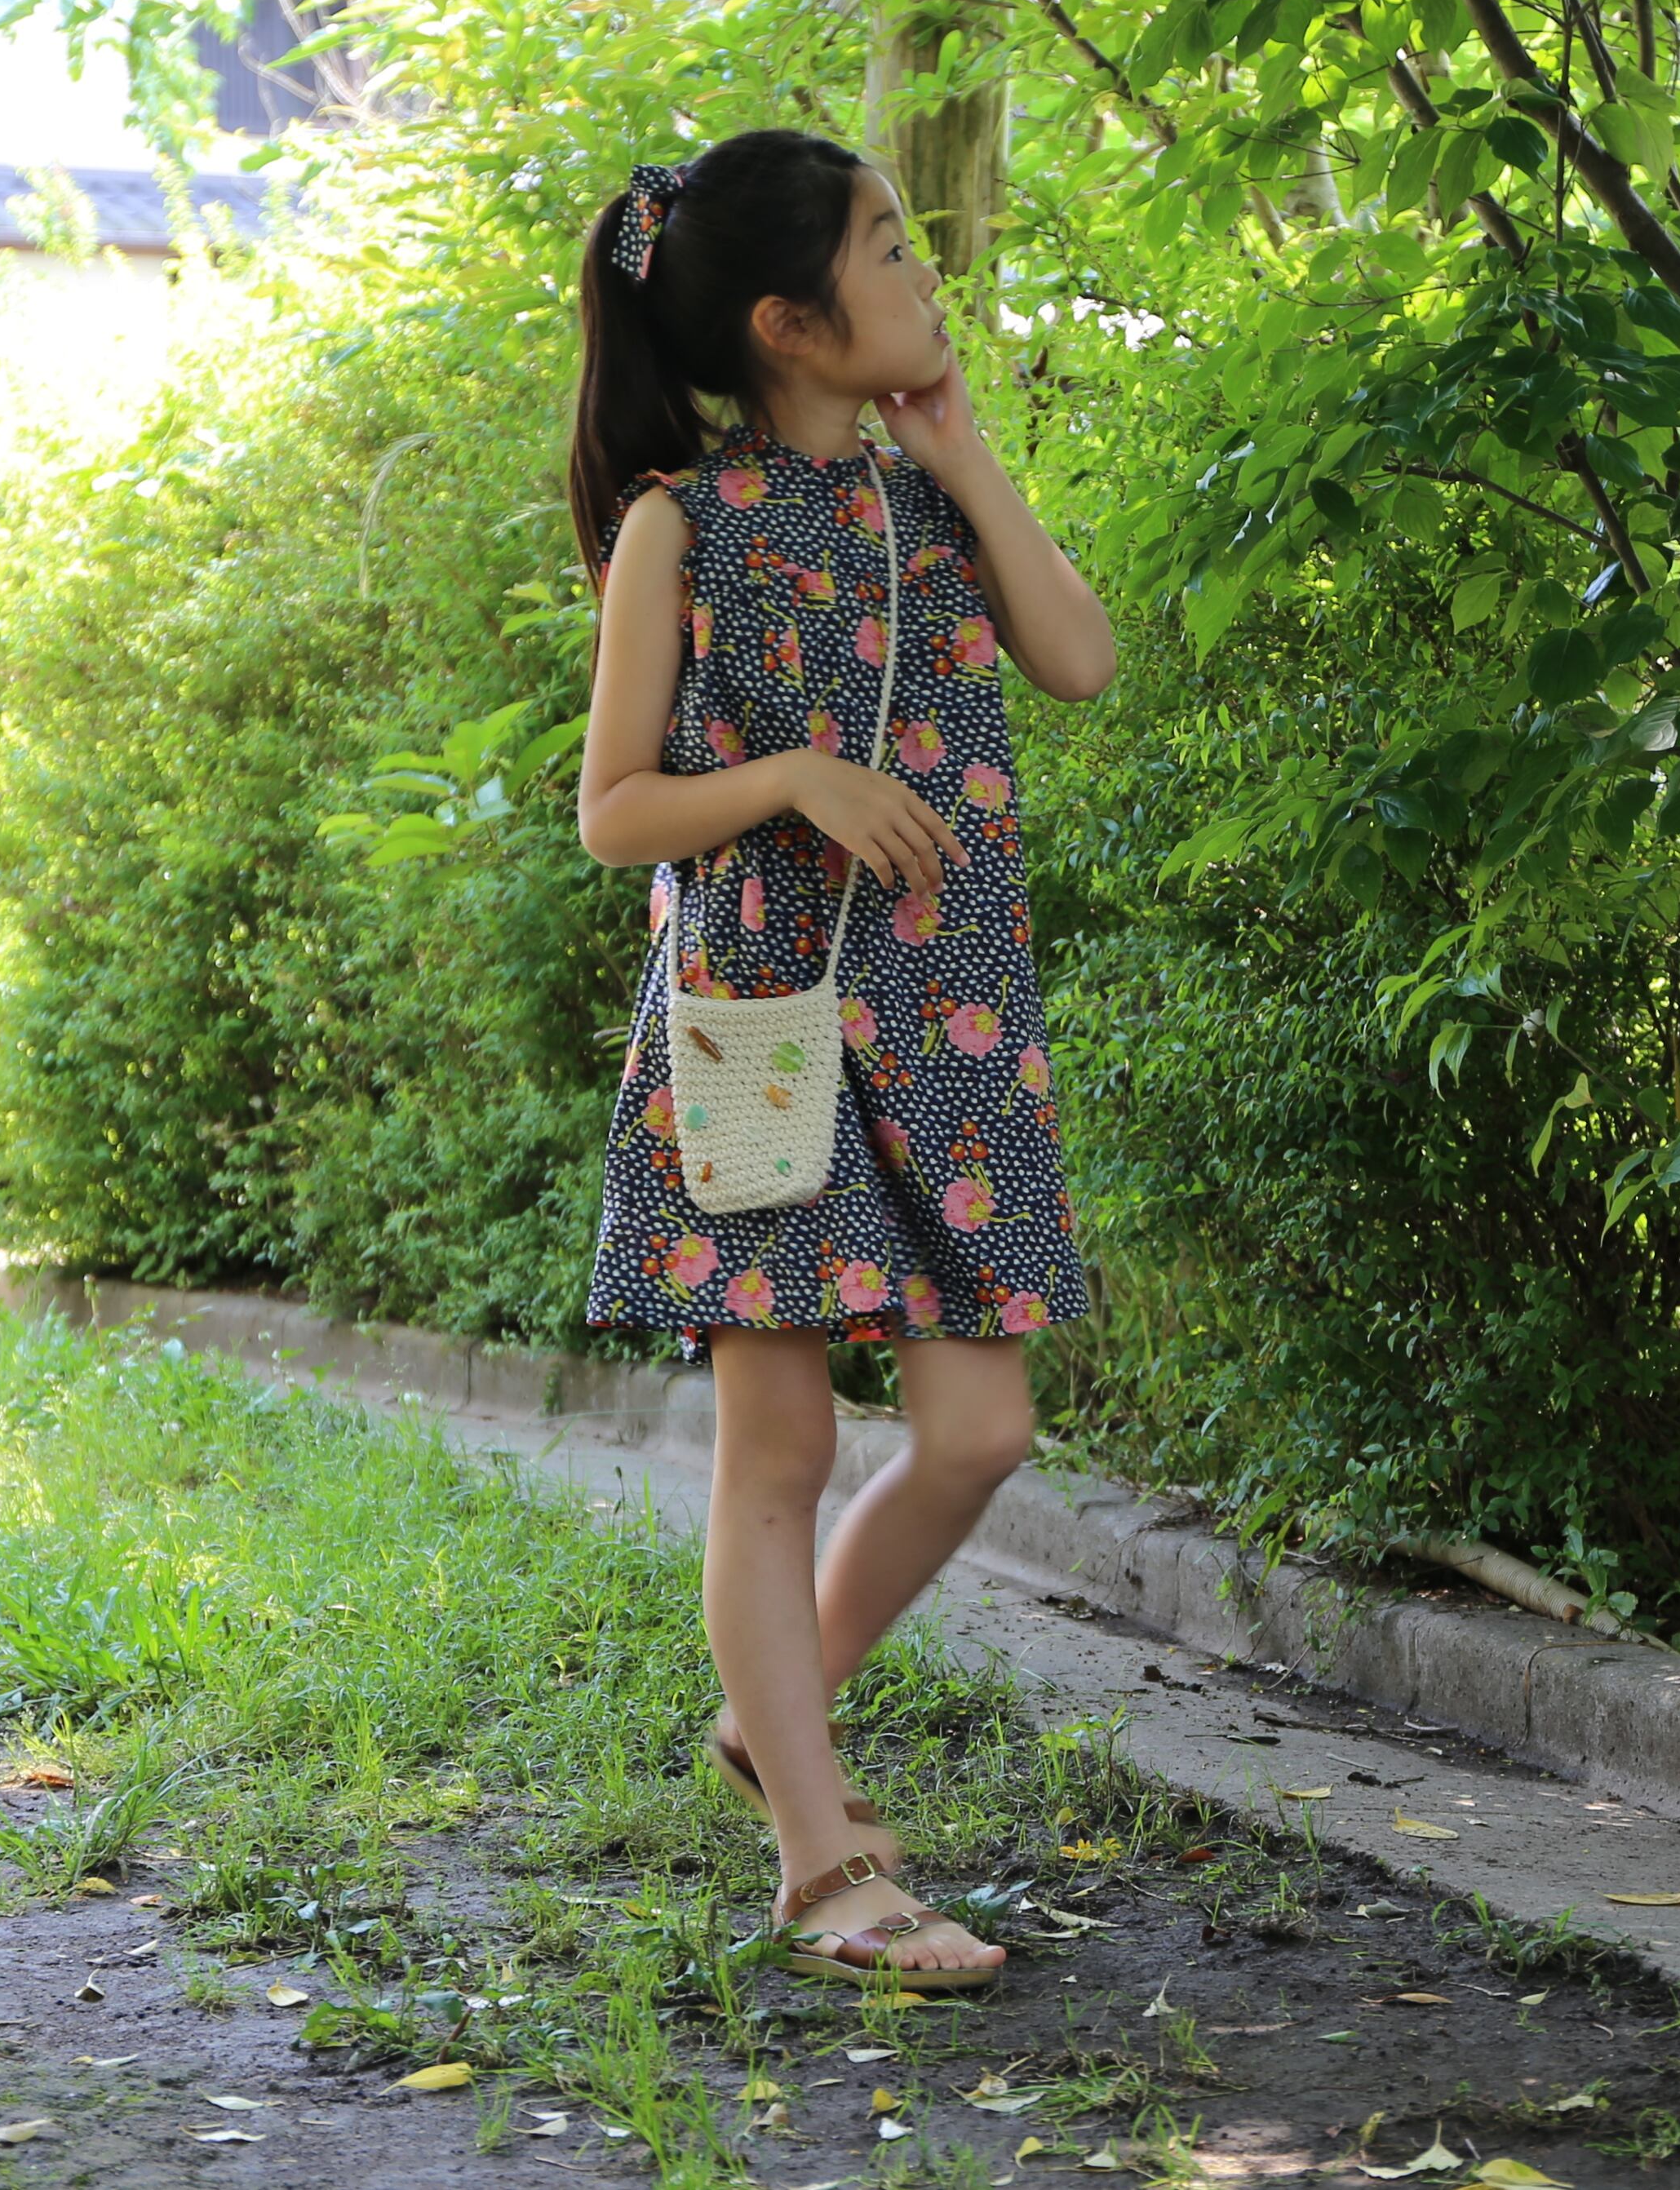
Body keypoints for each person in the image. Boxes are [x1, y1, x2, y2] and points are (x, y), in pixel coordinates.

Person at [566, 129, 1115, 1992]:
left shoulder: (925, 498)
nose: (924, 271)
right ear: (787, 322)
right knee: (783, 1443)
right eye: (889, 249)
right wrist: (796, 775)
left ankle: (769, 1704)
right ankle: (824, 1869)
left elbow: (1081, 659)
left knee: (979, 1431)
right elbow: (614, 810)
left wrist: (966, 454)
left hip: (953, 1018)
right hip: (765, 1022)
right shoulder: (683, 525)